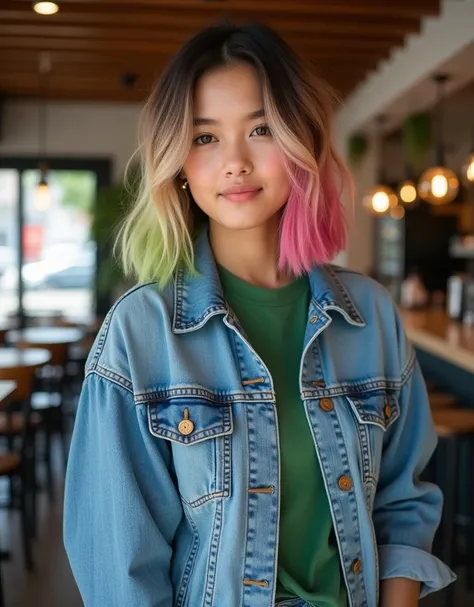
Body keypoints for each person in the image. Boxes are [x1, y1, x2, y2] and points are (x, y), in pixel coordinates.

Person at [64, 23, 455, 607]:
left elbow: (403, 503)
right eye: (205, 138)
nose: (236, 162)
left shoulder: (370, 314)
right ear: (177, 161)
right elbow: (120, 571)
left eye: (261, 129)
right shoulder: (140, 334)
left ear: (302, 139)